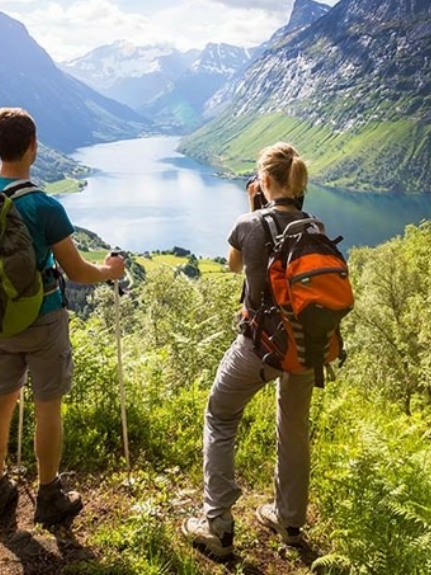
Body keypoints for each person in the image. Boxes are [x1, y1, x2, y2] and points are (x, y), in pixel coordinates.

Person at [0, 107, 125, 527]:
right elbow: (77, 272)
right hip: (42, 318)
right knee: (47, 406)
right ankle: (49, 496)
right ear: (33, 146)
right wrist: (110, 271)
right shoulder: (44, 205)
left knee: (0, 401)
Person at [182, 142, 316, 558]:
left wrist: (253, 208)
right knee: (293, 428)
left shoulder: (249, 222)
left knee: (220, 416)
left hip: (260, 346)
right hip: (305, 346)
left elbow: (233, 264)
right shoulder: (314, 226)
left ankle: (218, 526)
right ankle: (289, 522)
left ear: (265, 180)